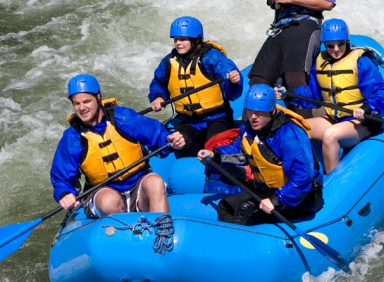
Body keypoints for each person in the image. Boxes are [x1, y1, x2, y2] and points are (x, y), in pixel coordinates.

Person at [51, 74, 186, 216]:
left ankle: (162, 230)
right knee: (109, 201)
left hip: (138, 185)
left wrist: (169, 141)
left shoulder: (123, 118)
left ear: (98, 97)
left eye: (86, 101)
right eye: (76, 103)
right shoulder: (72, 137)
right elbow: (61, 177)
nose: (82, 108)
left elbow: (156, 134)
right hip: (103, 191)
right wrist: (64, 193)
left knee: (155, 182)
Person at [197, 84, 323, 226]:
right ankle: (231, 243)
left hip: (302, 195)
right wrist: (215, 154)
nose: (253, 117)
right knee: (225, 207)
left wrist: (277, 199)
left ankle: (241, 244)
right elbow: (240, 151)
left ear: (272, 110)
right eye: (250, 111)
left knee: (245, 211)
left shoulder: (289, 134)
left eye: (259, 112)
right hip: (268, 189)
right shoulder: (250, 130)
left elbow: (303, 175)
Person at [286, 19, 384, 174]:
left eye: (340, 44)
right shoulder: (321, 63)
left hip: (361, 122)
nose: (336, 49)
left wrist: (367, 108)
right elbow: (312, 95)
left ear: (347, 42)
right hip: (334, 118)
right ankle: (303, 176)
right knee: (295, 128)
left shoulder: (361, 62)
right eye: (330, 45)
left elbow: (383, 93)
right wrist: (289, 95)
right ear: (325, 44)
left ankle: (332, 183)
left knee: (330, 135)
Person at [149, 16, 243, 157]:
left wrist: (233, 80)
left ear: (195, 39)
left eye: (183, 39)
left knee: (217, 145)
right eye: (176, 39)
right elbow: (158, 83)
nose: (178, 43)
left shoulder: (211, 57)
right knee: (181, 146)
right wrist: (158, 97)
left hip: (216, 117)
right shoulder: (169, 61)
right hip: (188, 120)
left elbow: (229, 80)